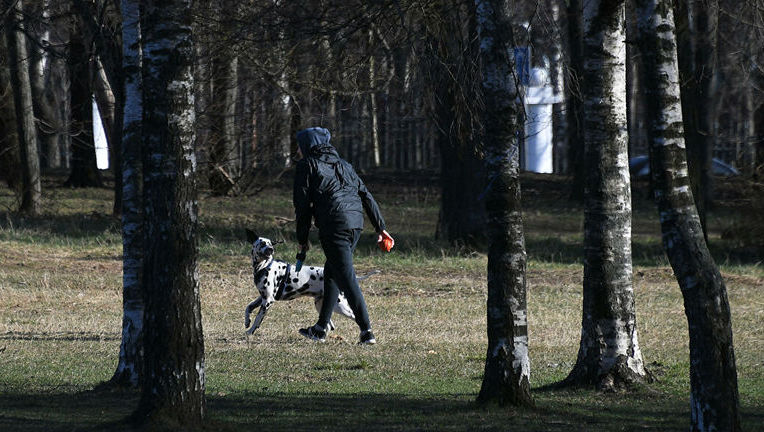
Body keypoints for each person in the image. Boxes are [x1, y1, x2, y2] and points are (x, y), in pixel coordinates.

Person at [293, 127, 394, 345]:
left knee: (346, 278)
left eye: (300, 147)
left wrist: (302, 240)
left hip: (334, 226)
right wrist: (380, 227)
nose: (299, 152)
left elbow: (302, 207)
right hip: (355, 224)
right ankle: (320, 329)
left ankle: (367, 332)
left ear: (307, 146)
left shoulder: (307, 165)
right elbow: (365, 195)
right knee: (332, 272)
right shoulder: (344, 165)